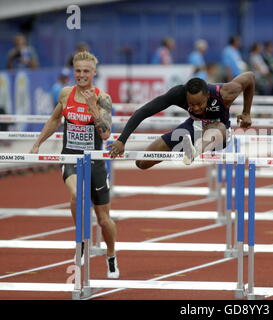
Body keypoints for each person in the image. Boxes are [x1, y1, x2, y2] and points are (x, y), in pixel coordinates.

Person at [30, 51, 119, 279]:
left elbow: (106, 133)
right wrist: (38, 143)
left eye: (86, 71)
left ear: (94, 73)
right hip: (70, 158)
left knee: (103, 219)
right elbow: (54, 120)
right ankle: (80, 240)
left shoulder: (103, 98)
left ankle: (111, 255)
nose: (81, 75)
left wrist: (93, 108)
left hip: (96, 161)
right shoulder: (66, 94)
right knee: (76, 196)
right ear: (73, 71)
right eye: (78, 71)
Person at [108, 72, 255, 169]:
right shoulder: (178, 94)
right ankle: (189, 148)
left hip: (219, 133)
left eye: (200, 104)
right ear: (185, 97)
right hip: (192, 127)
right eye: (192, 104)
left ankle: (193, 152)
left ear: (207, 96)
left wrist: (246, 112)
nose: (196, 108)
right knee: (142, 163)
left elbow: (250, 77)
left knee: (217, 128)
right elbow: (144, 111)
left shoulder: (224, 92)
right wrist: (122, 140)